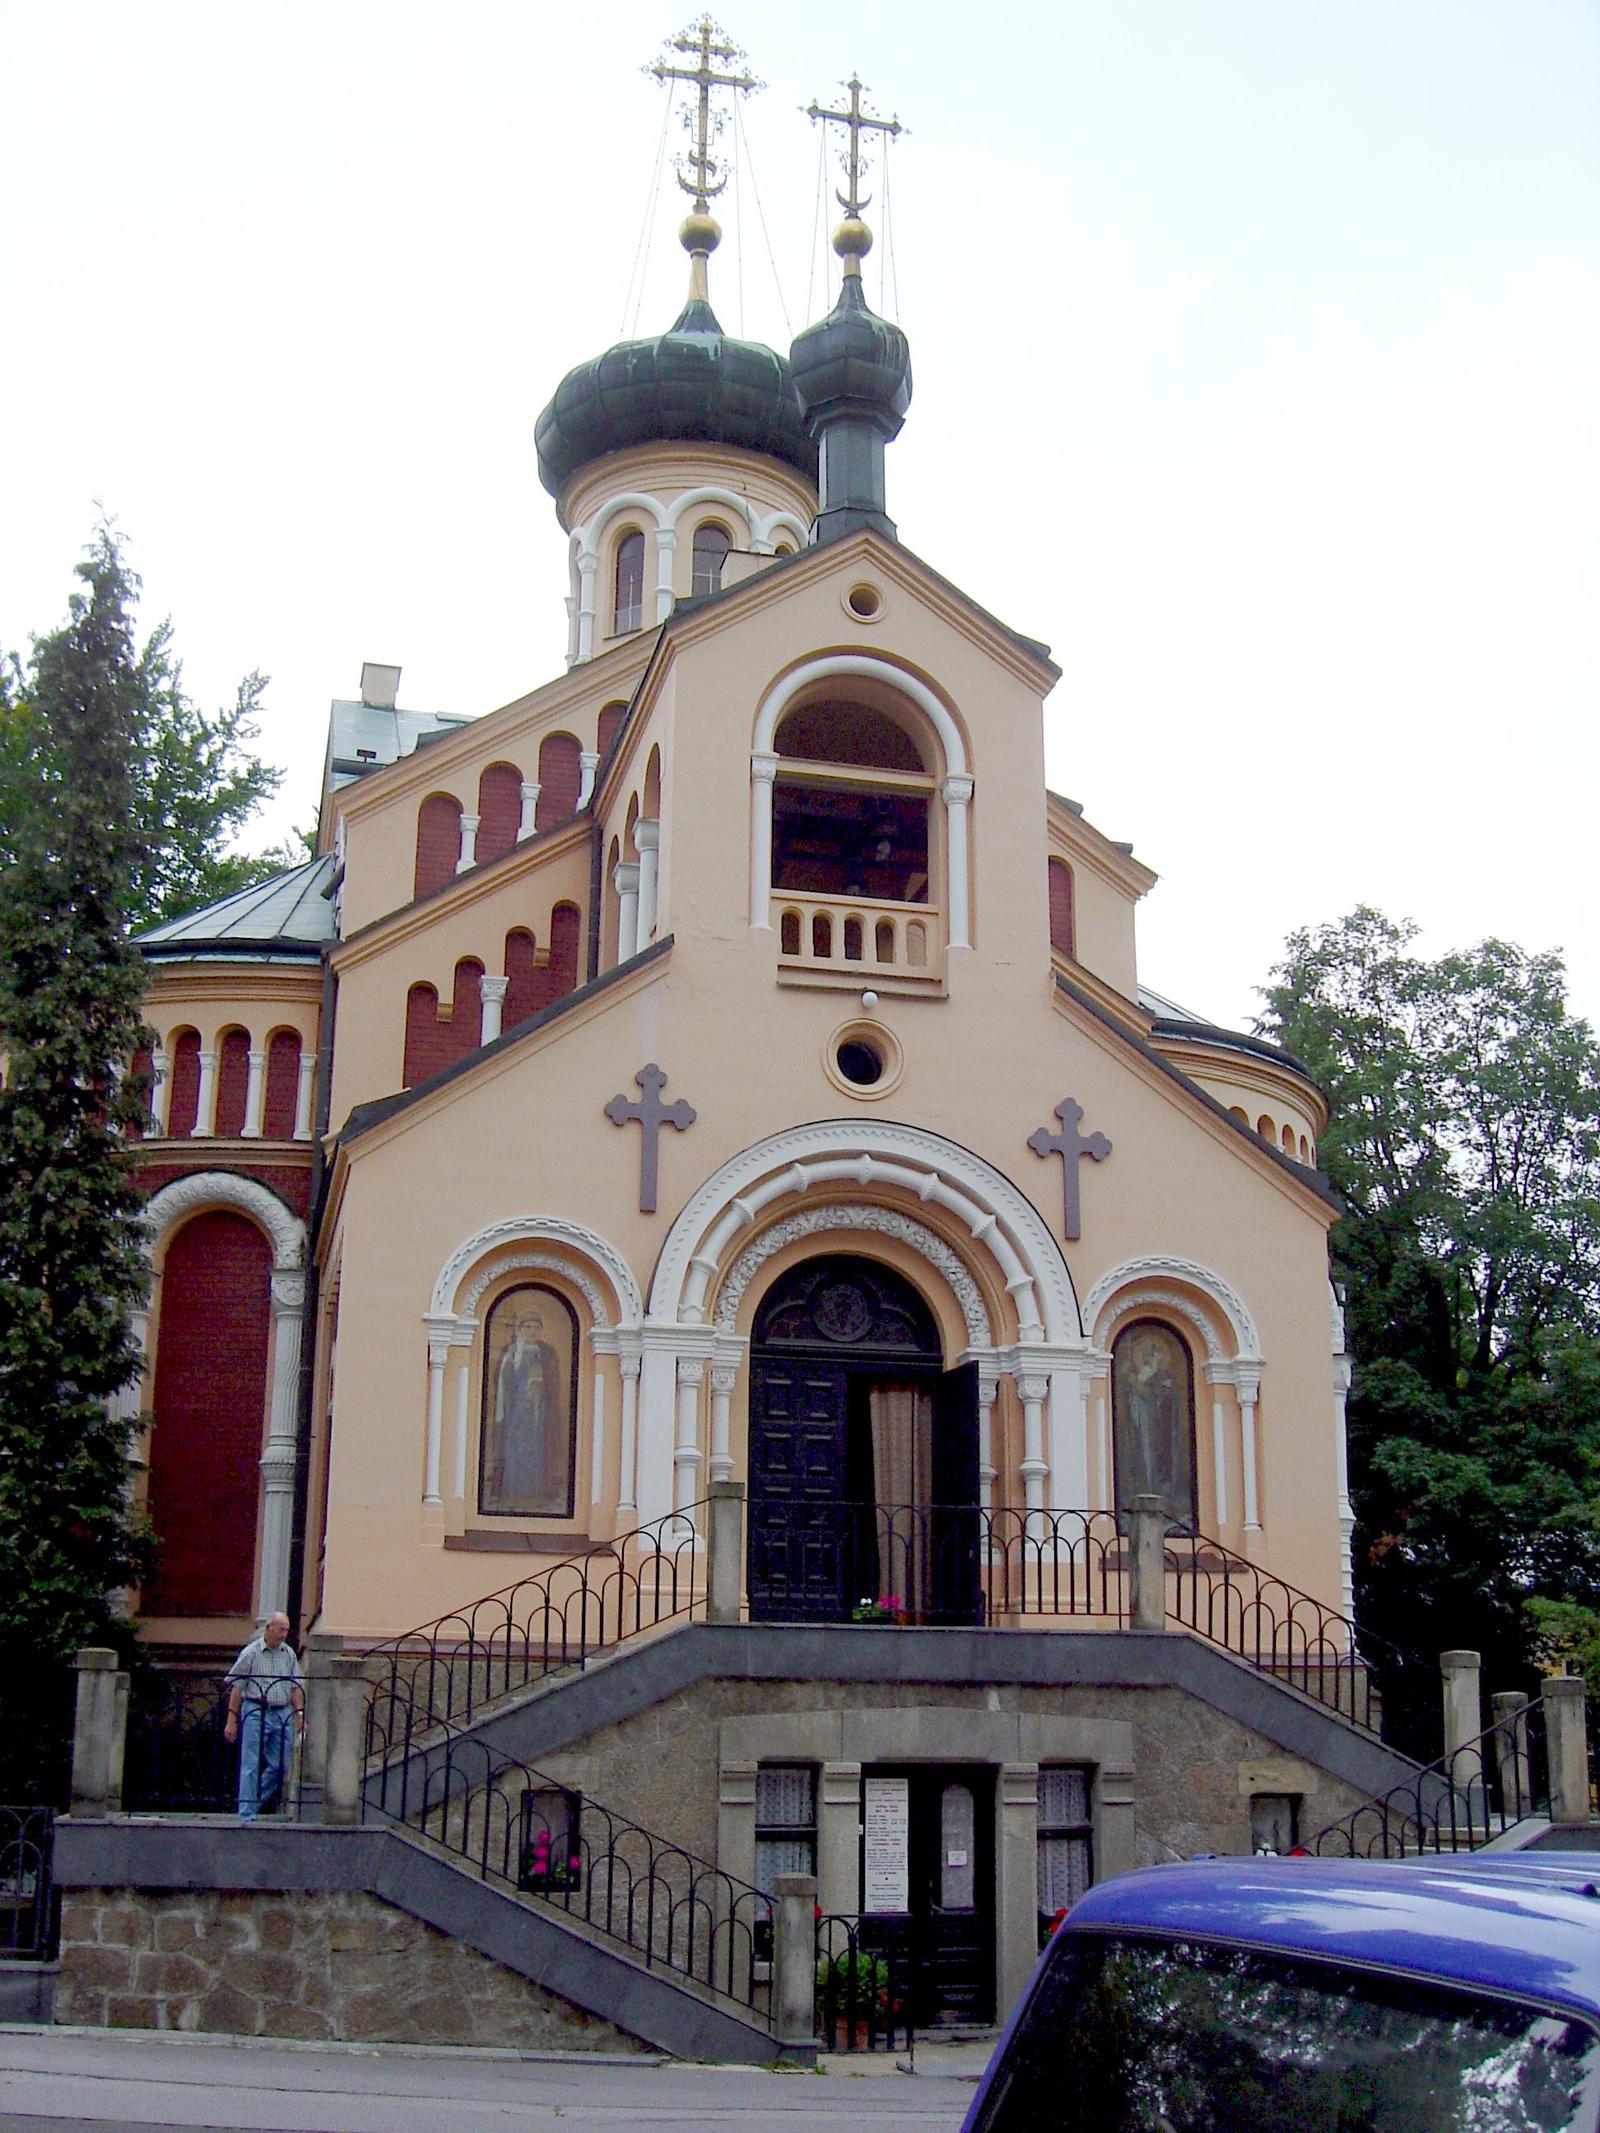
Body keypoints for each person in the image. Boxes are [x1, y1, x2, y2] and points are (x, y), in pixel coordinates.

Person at [222, 1611, 304, 1819]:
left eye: (286, 1630)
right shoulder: (251, 1653)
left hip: (281, 1710)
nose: (284, 1634)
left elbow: (295, 1687)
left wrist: (300, 1715)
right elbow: (237, 1687)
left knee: (281, 1765)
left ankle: (253, 1801)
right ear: (269, 1628)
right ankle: (246, 1813)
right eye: (280, 1629)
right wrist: (231, 1720)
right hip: (256, 1708)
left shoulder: (289, 1654)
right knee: (250, 1762)